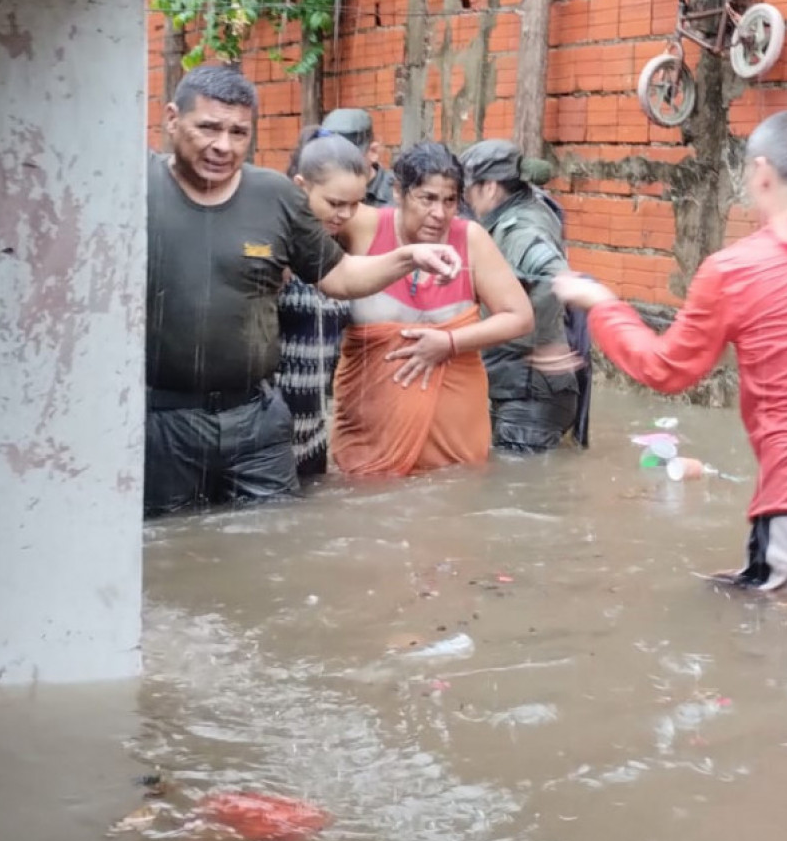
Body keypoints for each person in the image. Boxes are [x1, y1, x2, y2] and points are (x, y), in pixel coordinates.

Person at [554, 111, 787, 593]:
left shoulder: (734, 269)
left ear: (762, 172)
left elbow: (665, 370)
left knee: (764, 643)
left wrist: (604, 306)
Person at [146, 66, 462, 518]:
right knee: (170, 548)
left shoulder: (272, 195)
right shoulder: (135, 189)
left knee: (277, 541)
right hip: (161, 419)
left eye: (239, 132)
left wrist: (411, 257)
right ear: (173, 120)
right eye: (209, 128)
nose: (224, 146)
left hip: (255, 418)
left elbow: (339, 275)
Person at [329, 141, 533, 477]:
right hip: (368, 435)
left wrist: (448, 344)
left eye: (450, 200)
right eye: (427, 199)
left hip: (455, 444)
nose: (439, 213)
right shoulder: (361, 226)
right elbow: (304, 215)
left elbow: (520, 317)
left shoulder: (471, 239)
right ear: (398, 192)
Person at [459, 140, 593, 452]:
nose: (465, 199)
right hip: (523, 387)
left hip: (528, 392)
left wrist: (543, 343)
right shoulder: (532, 203)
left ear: (490, 188)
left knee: (515, 493)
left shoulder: (518, 228)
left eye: (468, 190)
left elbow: (554, 277)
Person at [274, 128, 367, 478]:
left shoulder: (343, 249)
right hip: (265, 437)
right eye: (335, 203)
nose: (345, 214)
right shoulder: (273, 247)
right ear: (301, 186)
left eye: (354, 204)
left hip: (314, 434)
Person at [321, 107, 396, 207]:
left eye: (347, 159)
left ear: (373, 152)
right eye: (329, 157)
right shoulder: (318, 191)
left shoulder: (398, 195)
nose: (337, 166)